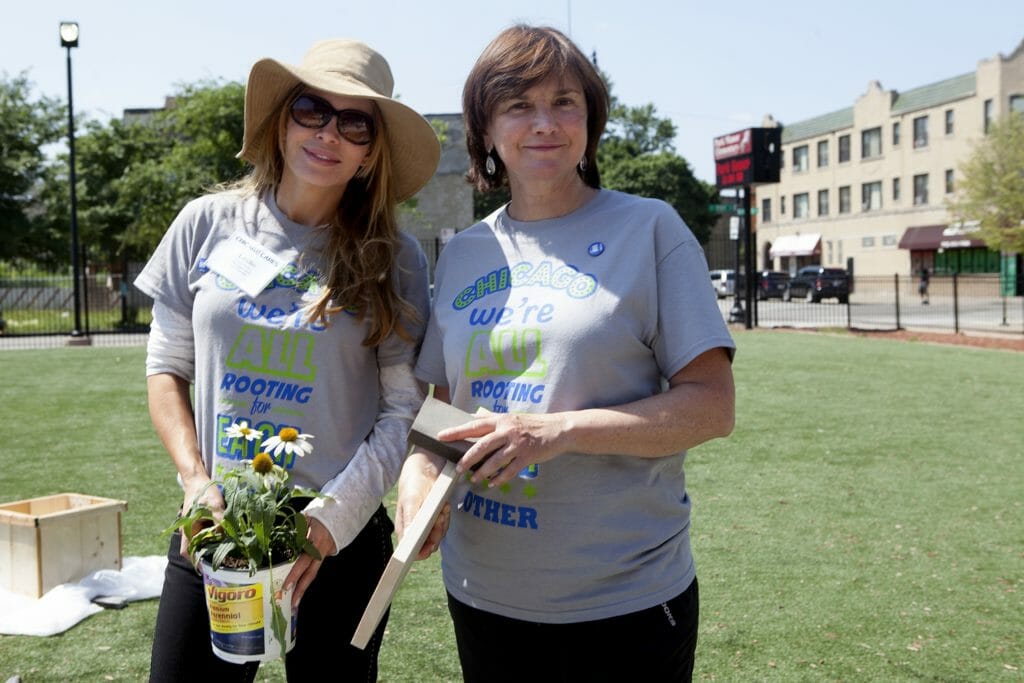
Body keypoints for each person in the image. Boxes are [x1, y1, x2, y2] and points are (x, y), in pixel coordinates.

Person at [395, 24, 736, 683]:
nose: (544, 123)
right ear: (486, 129)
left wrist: (558, 431)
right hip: (483, 591)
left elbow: (712, 406)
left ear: (590, 119)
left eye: (565, 102)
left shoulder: (651, 229)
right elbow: (441, 406)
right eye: (519, 105)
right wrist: (417, 474)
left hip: (625, 600)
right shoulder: (466, 253)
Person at [135, 39, 439, 682]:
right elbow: (166, 367)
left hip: (339, 532)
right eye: (311, 108)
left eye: (354, 122)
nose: (329, 132)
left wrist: (330, 522)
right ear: (281, 121)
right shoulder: (204, 223)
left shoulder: (396, 256)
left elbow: (401, 410)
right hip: (216, 523)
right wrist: (196, 484)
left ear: (369, 152)